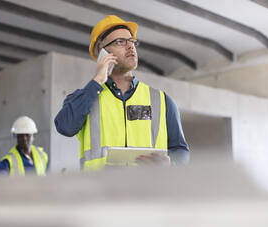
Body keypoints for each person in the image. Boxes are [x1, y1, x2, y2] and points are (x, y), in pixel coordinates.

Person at [54, 15, 189, 170]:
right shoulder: (85, 98)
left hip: (149, 191)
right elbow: (65, 126)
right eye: (120, 42)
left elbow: (181, 150)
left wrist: (171, 163)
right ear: (102, 53)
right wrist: (97, 80)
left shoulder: (161, 100)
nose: (130, 46)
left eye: (131, 41)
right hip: (100, 192)